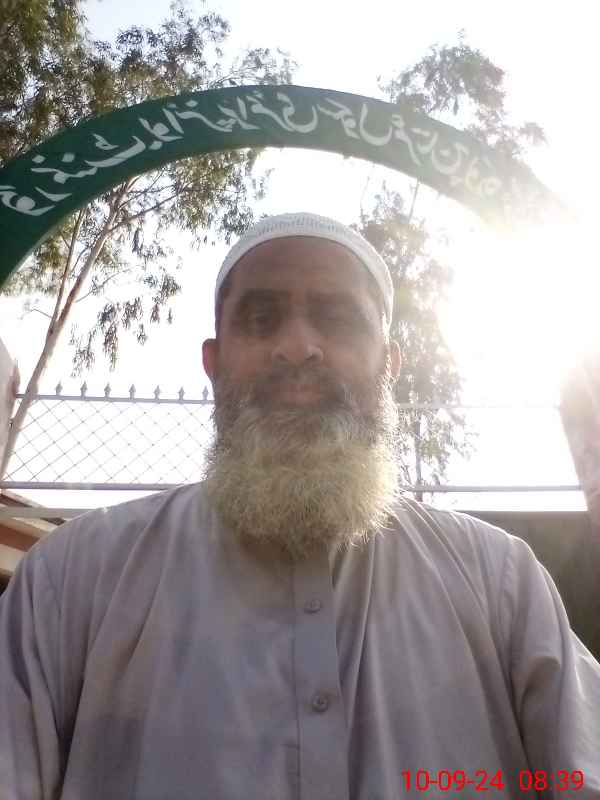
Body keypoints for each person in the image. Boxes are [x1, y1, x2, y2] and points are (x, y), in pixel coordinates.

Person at [1, 212, 599, 800]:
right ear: (213, 363)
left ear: (389, 366)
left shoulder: (500, 584)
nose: (297, 347)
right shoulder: (71, 581)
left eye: (337, 320)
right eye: (261, 319)